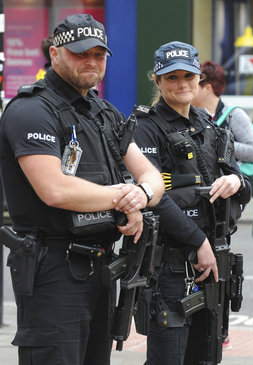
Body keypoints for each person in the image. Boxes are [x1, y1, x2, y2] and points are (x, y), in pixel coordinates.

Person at [0, 13, 165, 365]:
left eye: (98, 54)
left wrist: (143, 196)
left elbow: (150, 175)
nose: (91, 62)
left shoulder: (104, 113)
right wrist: (125, 196)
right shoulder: (31, 110)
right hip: (52, 271)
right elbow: (54, 190)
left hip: (103, 268)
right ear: (55, 54)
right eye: (80, 53)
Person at [132, 41, 251, 365]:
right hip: (171, 267)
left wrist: (236, 181)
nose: (182, 83)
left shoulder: (209, 124)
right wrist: (197, 241)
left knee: (206, 356)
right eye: (172, 77)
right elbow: (153, 198)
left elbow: (245, 185)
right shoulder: (146, 128)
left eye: (189, 75)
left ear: (200, 78)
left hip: (214, 260)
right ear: (157, 81)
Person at [192, 60, 253, 164]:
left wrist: (220, 143)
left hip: (230, 179)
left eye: (194, 85)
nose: (189, 89)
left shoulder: (234, 114)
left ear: (207, 89)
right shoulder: (191, 114)